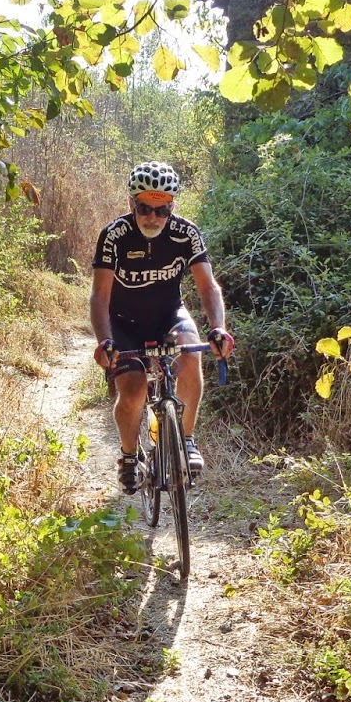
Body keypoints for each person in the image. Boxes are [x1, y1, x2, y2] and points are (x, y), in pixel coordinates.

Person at [91, 161, 235, 493]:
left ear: (172, 206)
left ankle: (186, 439)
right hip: (123, 322)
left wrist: (219, 328)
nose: (153, 217)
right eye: (145, 208)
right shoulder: (114, 235)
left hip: (169, 315)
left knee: (191, 356)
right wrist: (105, 341)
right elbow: (99, 296)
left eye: (162, 210)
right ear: (131, 203)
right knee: (134, 390)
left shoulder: (186, 233)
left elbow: (208, 287)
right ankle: (129, 456)